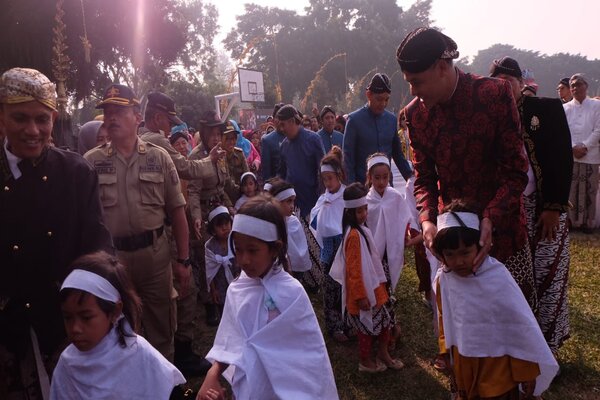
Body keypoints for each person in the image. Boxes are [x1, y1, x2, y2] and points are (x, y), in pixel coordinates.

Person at [397, 27, 536, 310]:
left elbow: (515, 171)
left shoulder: (494, 94)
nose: (413, 91)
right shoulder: (416, 114)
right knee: (464, 330)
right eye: (409, 83)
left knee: (512, 325)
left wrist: (490, 219)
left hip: (504, 235)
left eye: (417, 81)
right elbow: (424, 178)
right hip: (454, 243)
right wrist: (427, 221)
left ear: (441, 68)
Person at [0, 67, 113, 398]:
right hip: (9, 328)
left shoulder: (76, 172)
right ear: (2, 116)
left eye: (42, 119)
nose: (33, 130)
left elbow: (98, 246)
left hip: (66, 321)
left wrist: (102, 306)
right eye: (20, 118)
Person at [85, 84, 190, 362]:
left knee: (160, 328)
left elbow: (178, 212)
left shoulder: (159, 158)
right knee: (119, 330)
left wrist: (184, 260)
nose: (111, 117)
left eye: (119, 110)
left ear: (137, 117)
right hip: (114, 262)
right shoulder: (91, 164)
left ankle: (164, 384)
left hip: (156, 259)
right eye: (107, 111)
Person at [197, 195, 338, 400]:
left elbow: (310, 358)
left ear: (275, 249)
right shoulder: (237, 290)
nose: (243, 259)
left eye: (253, 250)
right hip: (253, 390)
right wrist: (213, 373)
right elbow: (231, 341)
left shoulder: (293, 294)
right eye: (238, 249)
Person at [432, 204, 558, 400]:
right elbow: (444, 318)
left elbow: (519, 326)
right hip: (465, 359)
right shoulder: (445, 279)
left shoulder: (497, 277)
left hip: (497, 365)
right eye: (450, 254)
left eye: (465, 252)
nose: (458, 261)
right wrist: (444, 351)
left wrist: (526, 370)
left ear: (480, 246)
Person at [490, 57, 573, 353]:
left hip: (544, 208)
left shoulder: (546, 109)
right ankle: (521, 346)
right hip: (510, 210)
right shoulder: (491, 117)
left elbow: (563, 159)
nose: (503, 87)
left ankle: (548, 348)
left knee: (549, 274)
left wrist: (553, 207)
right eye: (497, 82)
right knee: (515, 277)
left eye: (508, 82)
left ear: (521, 84)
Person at [50, 252, 186, 399]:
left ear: (115, 311)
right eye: (68, 317)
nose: (75, 328)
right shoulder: (67, 365)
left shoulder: (138, 354)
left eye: (86, 317)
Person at [330, 183, 403, 373]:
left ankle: (383, 353)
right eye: (358, 211)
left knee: (384, 321)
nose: (363, 214)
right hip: (364, 291)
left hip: (374, 286)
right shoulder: (354, 236)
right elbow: (354, 271)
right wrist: (361, 295)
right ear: (349, 213)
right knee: (366, 328)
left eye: (365, 209)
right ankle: (365, 360)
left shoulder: (362, 230)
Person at [365, 153, 422, 350]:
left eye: (385, 177)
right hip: (374, 256)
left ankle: (389, 329)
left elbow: (405, 219)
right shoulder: (366, 201)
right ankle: (384, 328)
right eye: (377, 177)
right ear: (369, 177)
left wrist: (405, 236)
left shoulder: (395, 197)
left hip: (390, 256)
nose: (381, 181)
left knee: (386, 291)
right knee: (377, 291)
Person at [343, 72, 412, 184]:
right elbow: (348, 160)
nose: (383, 104)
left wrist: (411, 178)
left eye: (386, 99)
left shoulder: (391, 120)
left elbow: (398, 155)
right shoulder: (354, 120)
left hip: (387, 189)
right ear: (368, 94)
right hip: (363, 190)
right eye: (379, 99)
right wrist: (352, 189)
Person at [310, 146, 349, 342]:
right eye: (324, 179)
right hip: (329, 251)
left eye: (330, 178)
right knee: (331, 288)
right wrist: (324, 211)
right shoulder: (323, 199)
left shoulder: (347, 196)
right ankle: (334, 326)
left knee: (347, 286)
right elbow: (315, 222)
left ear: (339, 175)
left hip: (345, 248)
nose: (327, 183)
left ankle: (349, 323)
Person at [139, 91, 222, 182]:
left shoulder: (140, 137)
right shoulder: (157, 140)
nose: (170, 130)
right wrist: (210, 159)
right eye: (170, 124)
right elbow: (186, 168)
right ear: (157, 118)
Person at [563, 73, 600, 233]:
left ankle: (587, 223)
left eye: (579, 84)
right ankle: (571, 222)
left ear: (586, 86)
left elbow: (598, 130)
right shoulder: (564, 108)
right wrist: (572, 147)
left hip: (590, 155)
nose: (575, 88)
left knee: (589, 191)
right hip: (570, 156)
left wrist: (584, 146)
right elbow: (562, 132)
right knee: (571, 190)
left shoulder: (596, 105)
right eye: (572, 85)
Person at [277, 104, 325, 217]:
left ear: (292, 121)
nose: (281, 129)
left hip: (313, 204)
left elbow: (323, 171)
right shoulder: (284, 145)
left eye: (283, 125)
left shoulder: (313, 140)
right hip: (292, 206)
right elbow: (281, 174)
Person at [269, 179, 312, 280]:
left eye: (293, 201)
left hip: (296, 271)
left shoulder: (293, 221)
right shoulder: (271, 225)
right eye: (288, 201)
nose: (292, 206)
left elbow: (301, 246)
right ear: (277, 202)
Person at [204, 206, 239, 323]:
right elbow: (210, 270)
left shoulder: (236, 240)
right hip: (220, 285)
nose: (225, 228)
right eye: (220, 226)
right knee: (224, 312)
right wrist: (214, 290)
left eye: (227, 224)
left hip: (237, 281)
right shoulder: (210, 247)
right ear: (213, 229)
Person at [222, 121, 249, 205]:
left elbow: (247, 175)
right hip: (224, 198)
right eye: (227, 139)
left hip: (242, 195)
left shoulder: (239, 154)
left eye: (233, 138)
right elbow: (223, 185)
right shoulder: (219, 157)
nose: (231, 142)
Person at [260, 103, 285, 181]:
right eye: (278, 117)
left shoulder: (293, 136)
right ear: (273, 120)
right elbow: (266, 172)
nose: (281, 121)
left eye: (283, 117)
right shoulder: (267, 140)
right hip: (277, 187)